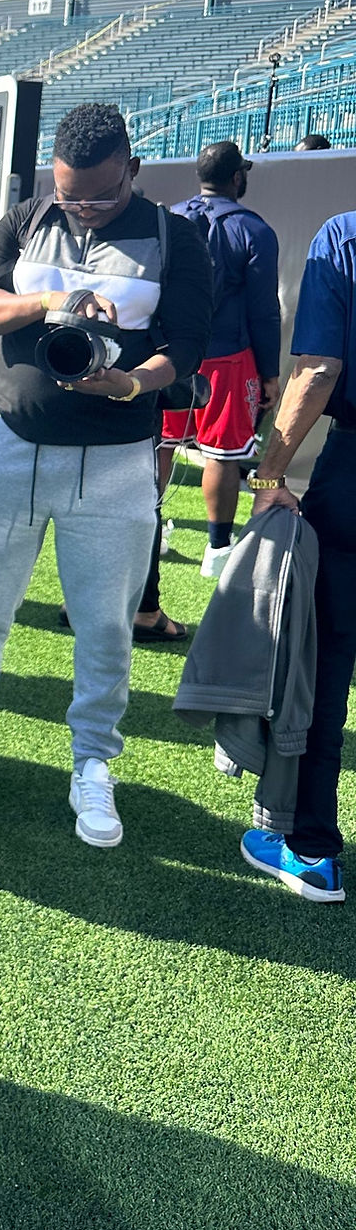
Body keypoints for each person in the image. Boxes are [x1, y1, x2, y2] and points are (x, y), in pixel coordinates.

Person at [0, 103, 213, 848]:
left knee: (106, 629)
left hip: (113, 462)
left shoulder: (177, 238)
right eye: (69, 193)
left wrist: (134, 383)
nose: (81, 210)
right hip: (8, 441)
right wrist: (46, 301)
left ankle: (93, 765)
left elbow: (190, 348)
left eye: (99, 197)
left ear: (133, 171)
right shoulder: (25, 220)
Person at [239, 213, 356, 905]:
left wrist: (268, 473)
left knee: (329, 662)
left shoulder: (344, 234)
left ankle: (311, 848)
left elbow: (318, 366)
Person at [163, 142, 281, 578]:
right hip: (227, 356)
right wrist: (269, 373)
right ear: (237, 177)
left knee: (159, 446)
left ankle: (150, 533)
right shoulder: (255, 229)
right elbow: (264, 310)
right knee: (223, 454)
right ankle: (216, 551)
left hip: (170, 354)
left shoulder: (169, 218)